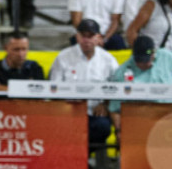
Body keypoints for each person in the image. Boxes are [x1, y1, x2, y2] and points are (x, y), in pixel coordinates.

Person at [48, 18, 119, 148]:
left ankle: (88, 162)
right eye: (83, 36)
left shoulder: (108, 60)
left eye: (90, 36)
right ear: (77, 36)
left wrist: (105, 104)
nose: (86, 40)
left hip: (96, 114)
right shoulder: (63, 57)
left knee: (102, 127)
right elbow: (53, 89)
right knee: (64, 128)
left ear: (98, 38)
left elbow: (117, 89)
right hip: (69, 113)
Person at [107, 34, 172, 134]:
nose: (144, 64)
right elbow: (114, 108)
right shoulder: (122, 73)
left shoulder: (165, 56)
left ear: (153, 53)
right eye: (140, 61)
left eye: (146, 60)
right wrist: (118, 130)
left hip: (169, 112)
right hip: (140, 118)